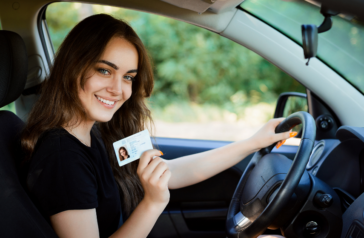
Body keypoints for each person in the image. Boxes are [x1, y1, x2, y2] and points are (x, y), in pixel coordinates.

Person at [21, 14, 291, 238]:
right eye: (104, 70)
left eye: (128, 77)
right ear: (72, 67)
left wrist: (252, 143)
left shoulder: (96, 132)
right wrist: (153, 203)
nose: (118, 89)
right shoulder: (62, 157)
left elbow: (167, 172)